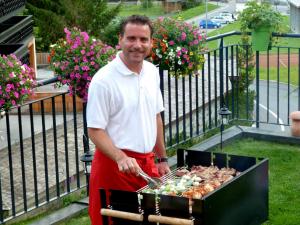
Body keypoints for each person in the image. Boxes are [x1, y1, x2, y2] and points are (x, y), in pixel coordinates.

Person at [86, 15, 170, 225]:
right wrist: (121, 157)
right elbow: (95, 130)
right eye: (131, 38)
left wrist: (161, 158)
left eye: (143, 39)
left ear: (151, 43)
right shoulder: (103, 80)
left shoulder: (151, 71)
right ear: (120, 40)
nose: (137, 45)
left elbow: (156, 116)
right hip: (114, 168)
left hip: (146, 164)